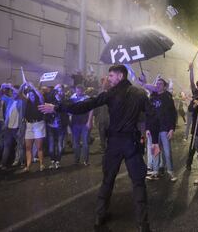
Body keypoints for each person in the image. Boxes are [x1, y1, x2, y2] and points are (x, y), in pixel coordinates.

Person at [39, 65, 151, 231]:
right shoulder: (140, 94)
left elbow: (85, 106)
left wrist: (57, 107)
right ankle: (142, 224)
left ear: (120, 76)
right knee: (138, 183)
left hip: (114, 143)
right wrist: (153, 138)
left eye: (111, 75)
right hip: (131, 143)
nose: (108, 78)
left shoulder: (110, 94)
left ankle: (100, 216)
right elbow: (151, 115)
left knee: (108, 180)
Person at [141, 78, 178, 182]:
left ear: (164, 86)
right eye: (157, 83)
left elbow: (173, 114)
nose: (158, 85)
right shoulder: (152, 97)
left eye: (161, 84)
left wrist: (171, 128)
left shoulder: (168, 97)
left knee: (167, 152)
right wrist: (147, 128)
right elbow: (148, 114)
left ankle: (170, 171)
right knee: (155, 151)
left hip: (164, 128)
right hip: (153, 129)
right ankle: (155, 171)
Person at [0, 83, 26, 170]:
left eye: (15, 93)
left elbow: (20, 94)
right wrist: (2, 87)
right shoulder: (10, 101)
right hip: (8, 128)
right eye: (13, 92)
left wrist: (11, 86)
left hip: (17, 128)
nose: (14, 94)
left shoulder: (22, 102)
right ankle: (3, 164)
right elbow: (0, 95)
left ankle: (21, 162)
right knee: (7, 146)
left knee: (20, 146)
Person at [20, 82, 46, 172]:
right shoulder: (27, 102)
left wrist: (33, 86)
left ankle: (42, 164)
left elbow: (40, 95)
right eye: (29, 95)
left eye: (33, 95)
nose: (31, 96)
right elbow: (20, 94)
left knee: (39, 147)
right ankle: (28, 166)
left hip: (38, 124)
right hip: (29, 125)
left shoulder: (40, 101)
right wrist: (22, 86)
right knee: (28, 147)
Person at [46, 84, 69, 169]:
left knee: (60, 146)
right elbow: (44, 96)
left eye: (61, 91)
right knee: (51, 146)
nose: (59, 93)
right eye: (57, 91)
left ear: (63, 92)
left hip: (61, 127)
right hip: (51, 126)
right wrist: (55, 87)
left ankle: (58, 161)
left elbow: (66, 110)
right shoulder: (50, 100)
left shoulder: (65, 101)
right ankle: (52, 161)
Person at [70, 84, 93, 166]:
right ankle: (76, 160)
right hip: (75, 123)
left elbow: (91, 110)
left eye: (80, 91)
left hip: (84, 123)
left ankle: (86, 160)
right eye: (77, 90)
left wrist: (89, 121)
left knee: (85, 143)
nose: (78, 92)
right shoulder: (72, 98)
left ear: (83, 91)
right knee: (75, 143)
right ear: (75, 90)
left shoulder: (87, 98)